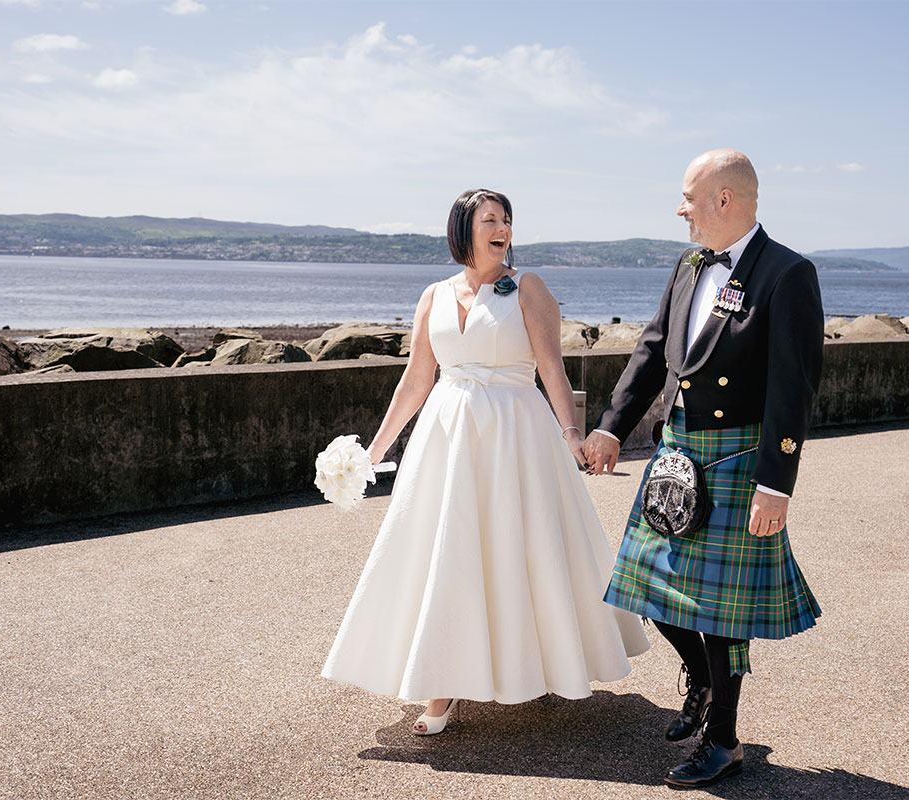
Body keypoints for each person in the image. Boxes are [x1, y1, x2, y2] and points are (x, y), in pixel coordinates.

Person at [321, 188, 648, 735]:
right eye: (489, 220)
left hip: (517, 432)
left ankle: (540, 665)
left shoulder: (528, 289)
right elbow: (415, 381)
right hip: (447, 438)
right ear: (464, 231)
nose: (501, 229)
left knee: (524, 551)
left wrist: (571, 433)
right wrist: (373, 453)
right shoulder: (434, 295)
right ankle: (442, 685)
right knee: (446, 552)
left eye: (506, 220)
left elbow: (552, 370)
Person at [582, 149, 823, 788]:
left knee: (720, 615)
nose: (679, 208)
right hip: (677, 449)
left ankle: (724, 740)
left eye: (688, 196)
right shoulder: (690, 264)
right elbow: (654, 348)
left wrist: (776, 484)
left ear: (724, 199)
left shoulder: (786, 274)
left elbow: (791, 390)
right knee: (647, 590)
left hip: (740, 456)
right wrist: (611, 425)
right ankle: (704, 687)